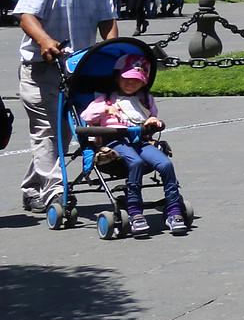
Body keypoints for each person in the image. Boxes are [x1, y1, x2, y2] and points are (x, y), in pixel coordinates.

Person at [16, 0, 117, 216]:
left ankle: (34, 190)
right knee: (48, 131)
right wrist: (45, 41)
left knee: (62, 131)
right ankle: (56, 194)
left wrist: (110, 53)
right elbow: (26, 17)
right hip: (40, 68)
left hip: (77, 69)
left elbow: (107, 22)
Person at [80, 58, 188, 236]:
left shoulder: (144, 99)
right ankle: (135, 212)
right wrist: (105, 111)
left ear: (143, 82)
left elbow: (150, 119)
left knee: (165, 164)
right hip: (115, 141)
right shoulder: (106, 100)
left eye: (136, 80)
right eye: (126, 78)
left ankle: (174, 209)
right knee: (135, 163)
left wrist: (153, 121)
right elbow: (87, 115)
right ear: (117, 78)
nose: (131, 83)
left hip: (139, 141)